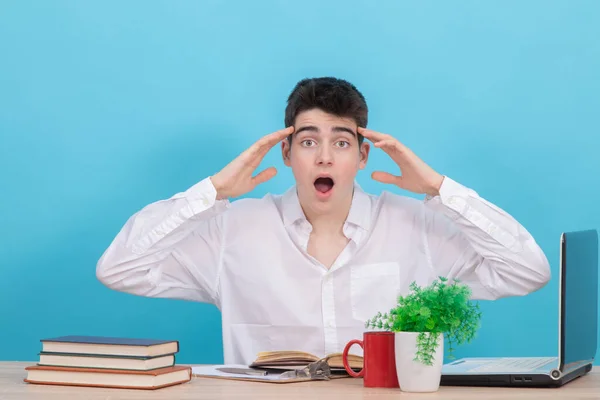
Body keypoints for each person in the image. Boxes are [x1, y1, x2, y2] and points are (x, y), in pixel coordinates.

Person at [96, 77, 551, 365]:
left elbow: (527, 271)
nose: (325, 156)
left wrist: (440, 190)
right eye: (309, 142)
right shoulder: (233, 230)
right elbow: (119, 269)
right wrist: (211, 192)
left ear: (363, 155)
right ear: (288, 154)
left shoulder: (417, 228)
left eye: (341, 142)